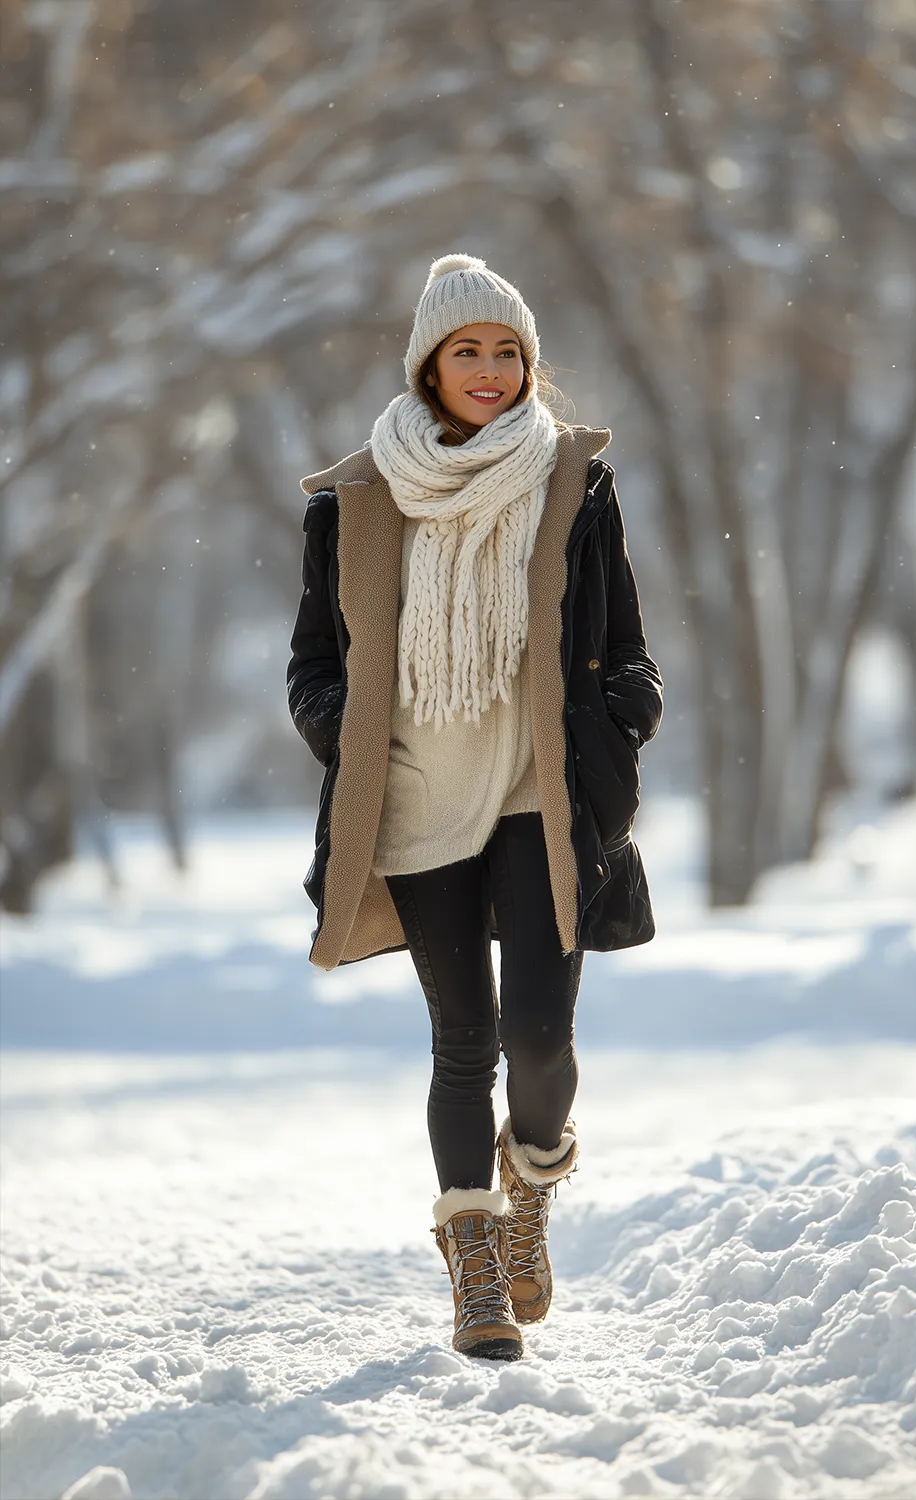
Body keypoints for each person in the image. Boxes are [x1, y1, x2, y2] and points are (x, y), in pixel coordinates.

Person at [287, 253, 662, 1362]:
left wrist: (614, 726)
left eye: (508, 352)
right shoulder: (357, 498)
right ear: (428, 366)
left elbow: (628, 650)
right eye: (469, 352)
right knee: (468, 1041)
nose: (490, 371)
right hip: (413, 806)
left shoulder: (572, 484)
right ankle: (475, 1269)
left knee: (541, 1041)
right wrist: (348, 740)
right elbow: (315, 662)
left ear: (530, 366)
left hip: (537, 799)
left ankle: (531, 1178)